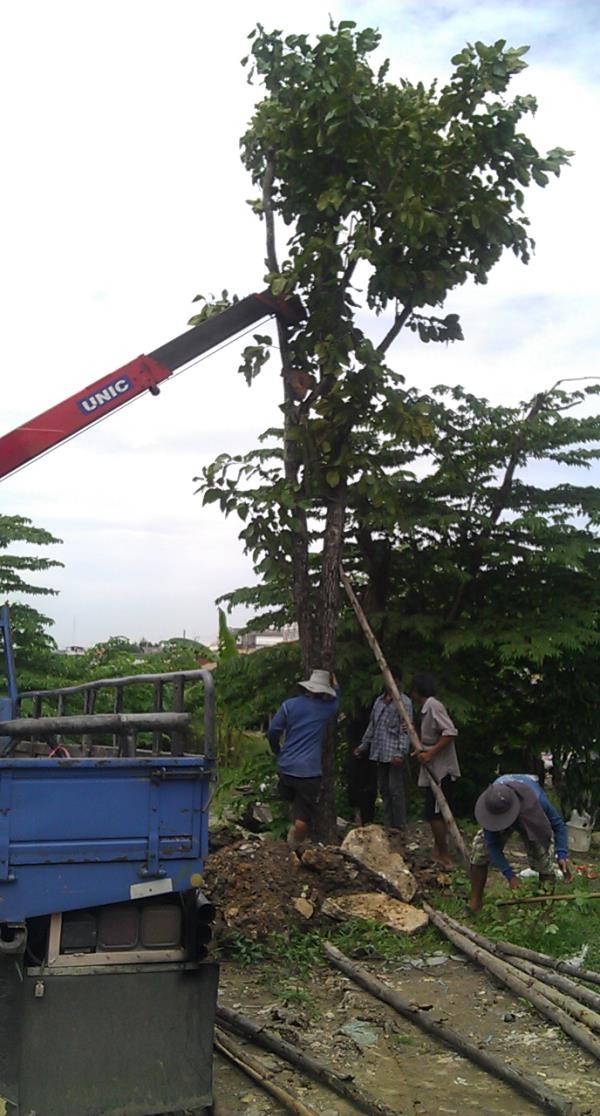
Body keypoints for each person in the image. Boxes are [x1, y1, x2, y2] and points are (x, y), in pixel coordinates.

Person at [469, 773, 572, 912]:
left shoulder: (538, 802)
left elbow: (558, 825)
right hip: (505, 809)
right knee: (479, 851)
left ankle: (546, 913)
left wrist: (562, 853)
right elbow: (491, 844)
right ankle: (475, 904)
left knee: (544, 861)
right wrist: (510, 875)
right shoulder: (492, 803)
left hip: (528, 814)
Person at [267, 668, 340, 848]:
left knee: (291, 801)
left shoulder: (289, 705)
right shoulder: (326, 709)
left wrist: (277, 751)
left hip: (286, 767)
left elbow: (273, 731)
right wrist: (336, 683)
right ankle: (295, 844)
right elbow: (338, 699)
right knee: (303, 816)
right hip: (309, 772)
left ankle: (284, 838)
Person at [411, 673, 459, 868]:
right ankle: (438, 850)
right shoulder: (425, 709)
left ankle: (444, 853)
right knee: (433, 811)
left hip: (441, 769)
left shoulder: (433, 706)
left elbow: (450, 732)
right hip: (431, 766)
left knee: (434, 813)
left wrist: (431, 753)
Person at [353, 675, 412, 832]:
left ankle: (399, 826)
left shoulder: (404, 702)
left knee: (396, 790)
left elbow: (406, 729)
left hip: (394, 752)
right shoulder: (379, 701)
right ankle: (388, 825)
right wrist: (363, 746)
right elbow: (373, 725)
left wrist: (401, 752)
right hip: (380, 751)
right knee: (385, 789)